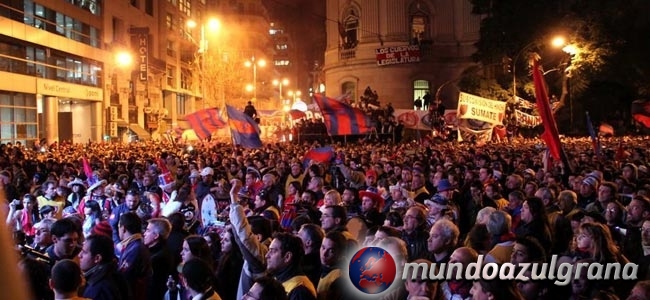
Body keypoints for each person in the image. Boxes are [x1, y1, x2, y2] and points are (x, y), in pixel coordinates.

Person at [266, 232, 317, 300]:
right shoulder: (278, 279)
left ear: (287, 257)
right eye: (269, 250)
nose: (266, 255)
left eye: (272, 251)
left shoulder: (300, 291)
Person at [79, 234, 131, 300]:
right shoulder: (117, 274)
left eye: (84, 252)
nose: (79, 255)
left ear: (97, 258)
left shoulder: (97, 290)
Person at [117, 211, 152, 300]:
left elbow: (125, 277)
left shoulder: (135, 249)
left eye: (118, 227)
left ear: (123, 228)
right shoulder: (133, 245)